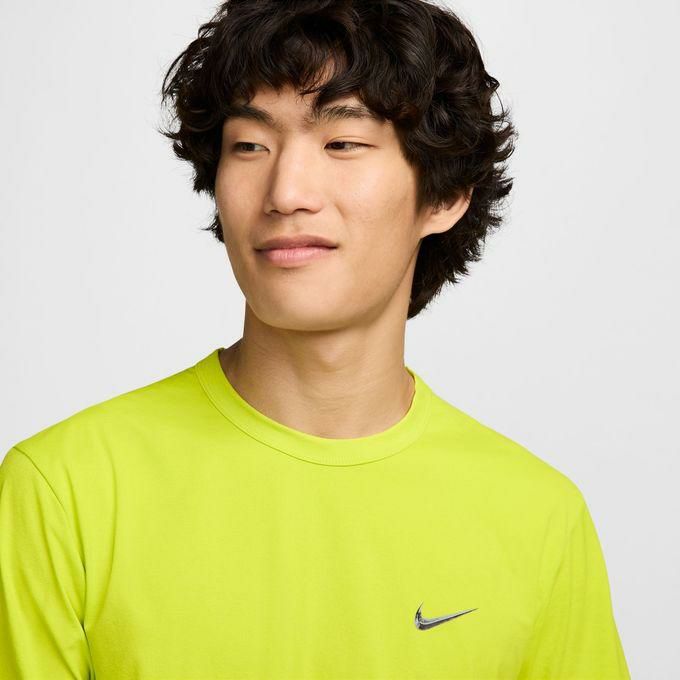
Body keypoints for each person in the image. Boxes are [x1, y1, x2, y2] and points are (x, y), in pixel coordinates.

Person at [0, 1, 631, 678]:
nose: (287, 192)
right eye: (250, 145)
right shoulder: (62, 491)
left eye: (342, 143)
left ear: (445, 195)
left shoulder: (538, 518)